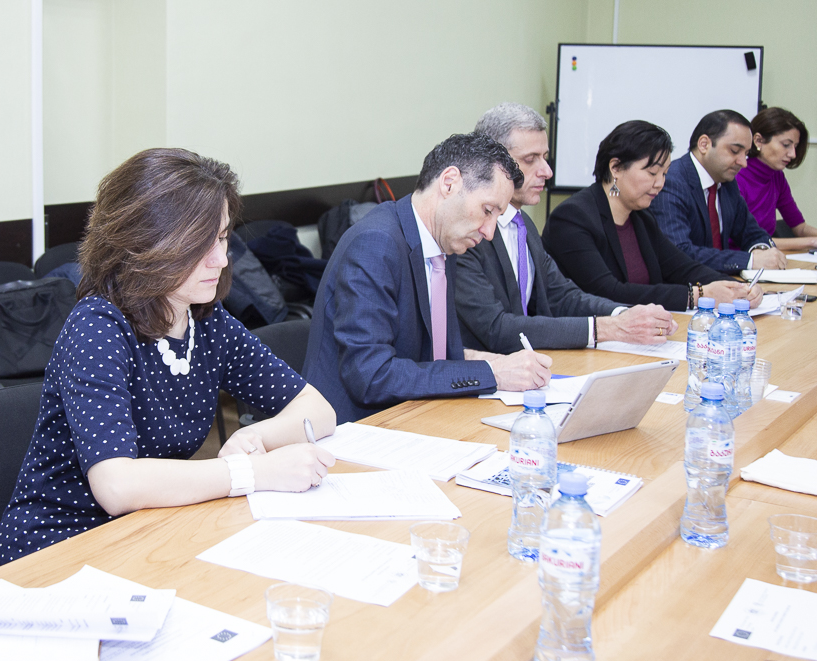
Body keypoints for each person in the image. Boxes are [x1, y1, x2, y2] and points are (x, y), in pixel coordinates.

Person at [0, 148, 336, 566]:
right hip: (58, 549)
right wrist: (253, 472)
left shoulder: (205, 320)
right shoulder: (98, 327)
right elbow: (116, 485)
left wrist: (256, 440)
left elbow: (318, 410)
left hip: (148, 531)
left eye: (222, 237)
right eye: (201, 243)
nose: (221, 259)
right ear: (146, 244)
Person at [303, 133, 553, 425]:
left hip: (414, 416)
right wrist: (492, 373)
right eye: (487, 211)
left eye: (497, 217)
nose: (489, 232)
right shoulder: (376, 243)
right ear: (449, 183)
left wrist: (495, 362)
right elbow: (371, 376)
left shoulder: (443, 242)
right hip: (355, 428)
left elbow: (435, 355)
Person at [457, 103, 679, 354]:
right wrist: (607, 329)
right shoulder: (465, 231)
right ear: (489, 162)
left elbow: (561, 295)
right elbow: (496, 329)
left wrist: (624, 315)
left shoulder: (523, 223)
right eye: (530, 160)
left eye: (545, 157)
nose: (547, 171)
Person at [543, 120, 761, 313]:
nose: (660, 183)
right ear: (615, 167)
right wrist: (697, 296)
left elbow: (683, 267)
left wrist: (737, 288)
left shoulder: (641, 218)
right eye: (652, 173)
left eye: (664, 174)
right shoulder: (572, 218)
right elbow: (608, 292)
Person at [649, 109, 785, 274]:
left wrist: (761, 251)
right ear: (704, 144)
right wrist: (750, 261)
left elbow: (752, 233)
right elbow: (679, 253)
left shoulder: (727, 183)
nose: (743, 163)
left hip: (720, 282)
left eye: (746, 154)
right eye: (734, 151)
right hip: (685, 285)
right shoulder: (671, 182)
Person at [736, 107, 817, 250]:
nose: (793, 154)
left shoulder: (776, 176)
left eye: (795, 146)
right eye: (786, 145)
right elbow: (750, 241)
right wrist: (815, 241)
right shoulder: (737, 178)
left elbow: (800, 227)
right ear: (758, 141)